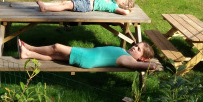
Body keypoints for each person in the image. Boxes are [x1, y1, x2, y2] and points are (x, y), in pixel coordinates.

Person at [17, 38, 157, 70]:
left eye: (138, 50)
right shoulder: (125, 52)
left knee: (57, 47)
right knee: (55, 56)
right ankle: (27, 54)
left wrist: (152, 66)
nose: (134, 48)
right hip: (87, 54)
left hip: (87, 57)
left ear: (142, 58)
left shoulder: (128, 60)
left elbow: (137, 66)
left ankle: (29, 47)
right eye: (136, 45)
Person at [37, 0, 134, 15]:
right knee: (64, 2)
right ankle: (46, 4)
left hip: (86, 6)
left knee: (65, 6)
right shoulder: (112, 2)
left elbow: (124, 12)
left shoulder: (114, 7)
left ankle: (45, 8)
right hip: (86, 1)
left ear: (122, 3)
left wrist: (128, 9)